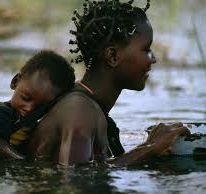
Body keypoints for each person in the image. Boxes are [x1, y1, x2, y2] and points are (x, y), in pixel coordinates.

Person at [26, 0, 190, 166]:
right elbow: (77, 181)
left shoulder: (88, 105)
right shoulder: (80, 109)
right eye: (146, 49)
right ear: (113, 56)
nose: (153, 59)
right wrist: (150, 147)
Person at [0, 50, 75, 162]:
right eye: (26, 98)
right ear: (15, 81)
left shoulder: (30, 119)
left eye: (40, 106)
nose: (29, 108)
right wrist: (21, 160)